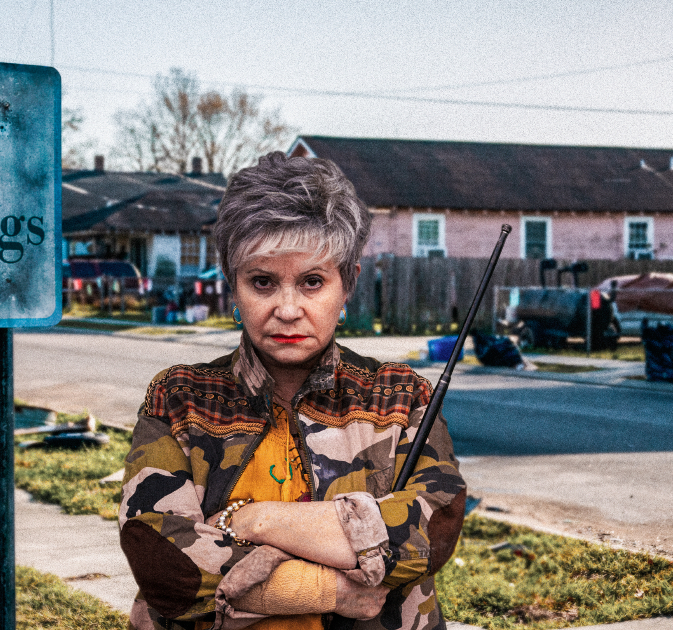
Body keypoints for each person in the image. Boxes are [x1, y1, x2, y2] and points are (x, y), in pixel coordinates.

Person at [119, 152, 467, 630]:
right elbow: (163, 563)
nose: (287, 309)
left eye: (312, 282)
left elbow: (432, 532)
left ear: (348, 287)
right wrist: (335, 590)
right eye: (262, 282)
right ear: (231, 285)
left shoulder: (401, 399)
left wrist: (255, 521)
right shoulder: (181, 400)